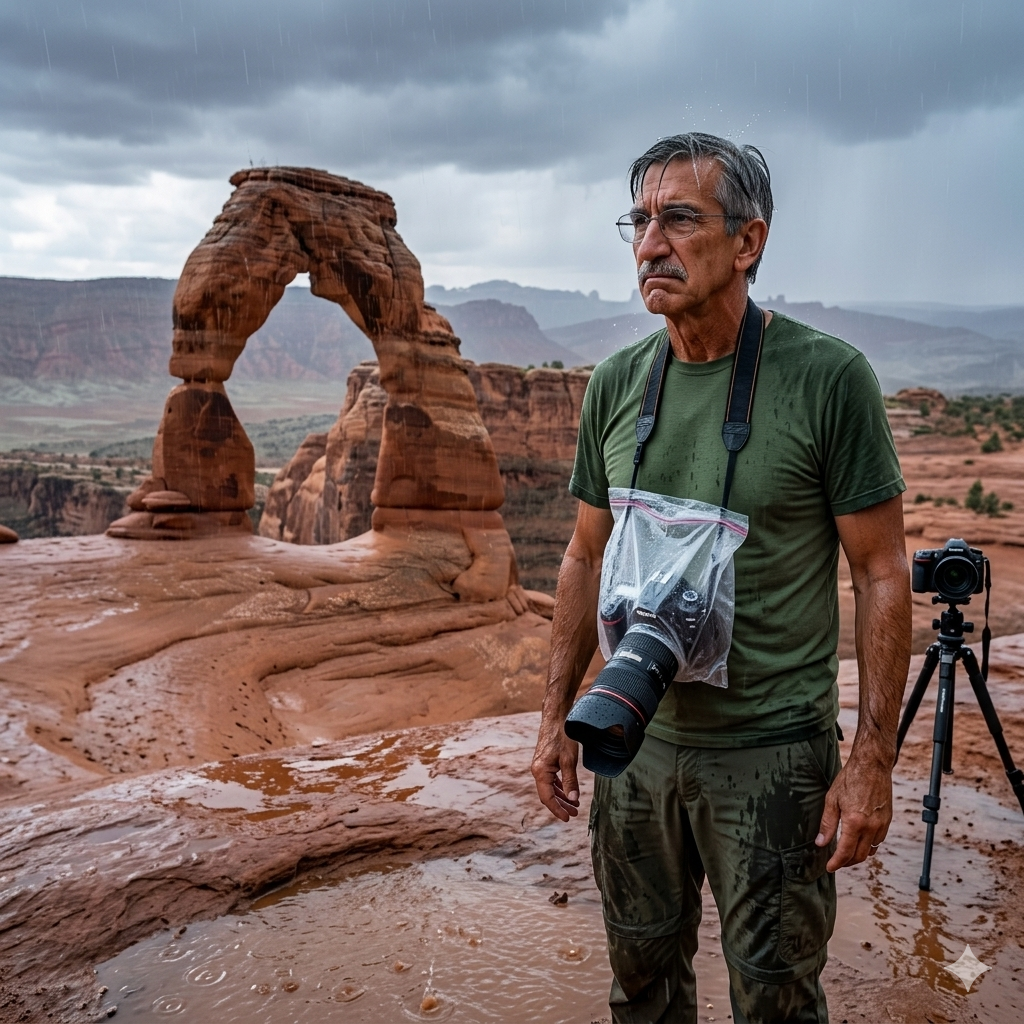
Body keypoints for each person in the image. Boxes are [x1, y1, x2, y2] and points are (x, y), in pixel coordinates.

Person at [531, 133, 912, 1023]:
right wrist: (555, 716)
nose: (649, 244)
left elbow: (882, 572)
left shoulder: (828, 379)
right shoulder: (619, 383)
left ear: (748, 242)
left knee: (775, 994)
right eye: (638, 222)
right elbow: (584, 554)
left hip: (771, 752)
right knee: (641, 981)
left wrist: (872, 761)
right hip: (634, 743)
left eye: (678, 220)